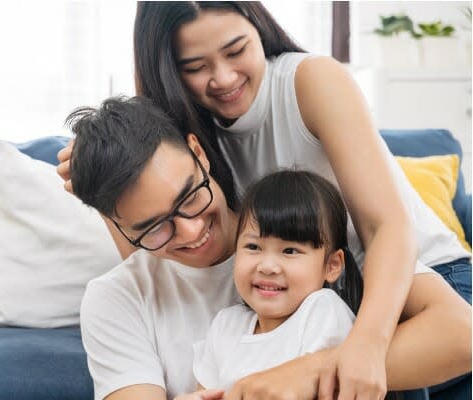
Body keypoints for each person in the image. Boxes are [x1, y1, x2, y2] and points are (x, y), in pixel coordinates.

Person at [57, 2, 472, 399]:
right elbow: (149, 259)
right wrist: (103, 180)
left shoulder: (308, 84)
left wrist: (352, 350)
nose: (222, 79)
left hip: (420, 281)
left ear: (257, 25)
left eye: (236, 50)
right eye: (195, 67)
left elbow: (388, 229)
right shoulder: (194, 134)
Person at [192, 170, 361, 392]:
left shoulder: (322, 311)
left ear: (332, 265)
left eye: (290, 251)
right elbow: (203, 392)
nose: (267, 267)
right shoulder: (226, 325)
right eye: (253, 247)